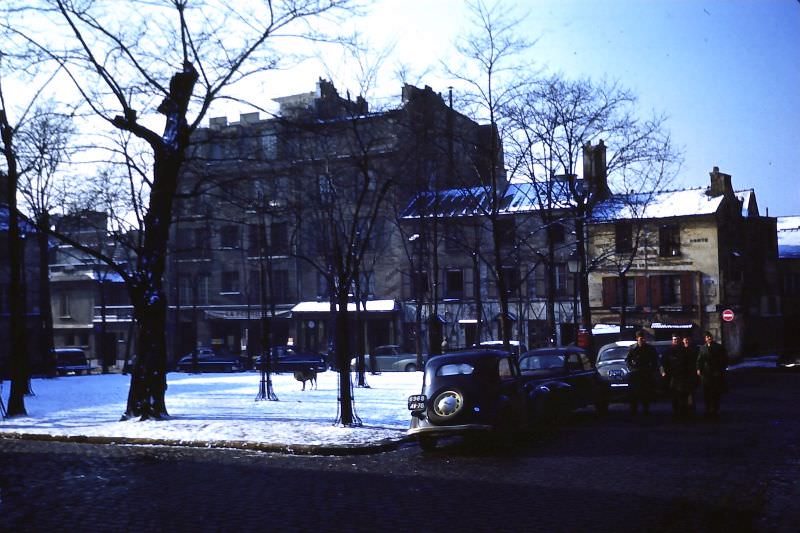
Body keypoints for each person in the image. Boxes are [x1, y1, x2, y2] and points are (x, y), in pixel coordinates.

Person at [625, 330, 660, 415]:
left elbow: (655, 360)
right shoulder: (632, 348)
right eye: (641, 338)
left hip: (646, 373)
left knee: (646, 394)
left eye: (643, 338)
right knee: (634, 395)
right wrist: (631, 368)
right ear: (637, 339)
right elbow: (627, 360)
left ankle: (646, 411)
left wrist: (651, 369)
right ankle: (634, 412)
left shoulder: (650, 349)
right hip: (635, 374)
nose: (642, 340)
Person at [662, 334, 696, 419]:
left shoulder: (684, 350)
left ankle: (685, 413)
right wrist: (663, 372)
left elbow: (689, 363)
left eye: (677, 339)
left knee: (684, 396)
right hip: (673, 376)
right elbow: (663, 363)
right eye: (674, 339)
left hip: (683, 377)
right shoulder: (668, 351)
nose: (675, 341)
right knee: (675, 396)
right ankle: (676, 413)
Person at [696, 331, 729, 417]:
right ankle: (707, 409)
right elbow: (699, 360)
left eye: (710, 337)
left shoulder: (718, 347)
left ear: (712, 338)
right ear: (705, 339)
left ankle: (715, 409)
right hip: (706, 374)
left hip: (715, 373)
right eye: (707, 337)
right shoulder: (703, 348)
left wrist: (722, 368)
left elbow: (724, 358)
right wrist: (699, 369)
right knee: (706, 393)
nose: (709, 338)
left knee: (715, 393)